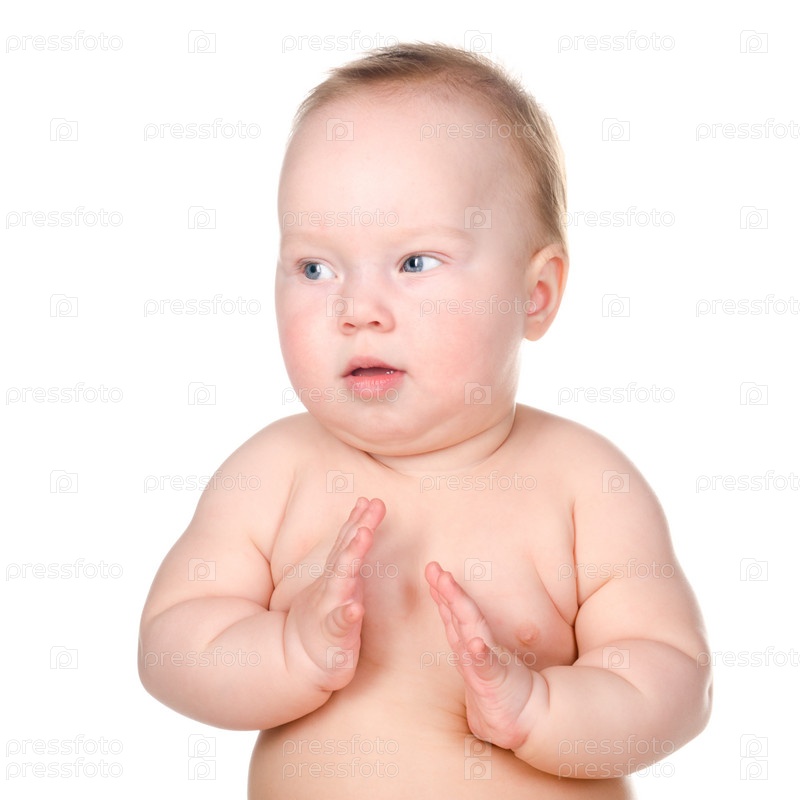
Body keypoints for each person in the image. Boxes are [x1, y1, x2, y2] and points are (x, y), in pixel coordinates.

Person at [138, 42, 711, 798]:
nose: (357, 310)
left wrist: (543, 709)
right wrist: (287, 651)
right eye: (315, 268)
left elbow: (674, 679)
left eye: (414, 262)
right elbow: (171, 645)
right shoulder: (272, 475)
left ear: (535, 294)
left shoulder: (586, 485)